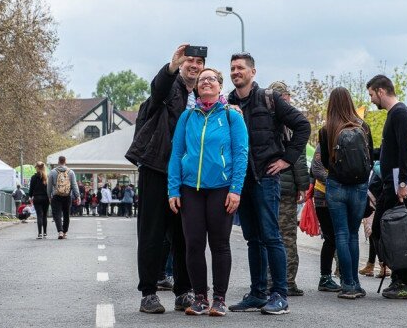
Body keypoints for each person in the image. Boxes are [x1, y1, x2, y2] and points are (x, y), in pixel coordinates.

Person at [226, 53, 311, 315]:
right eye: (232, 68)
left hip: (266, 178)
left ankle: (280, 295)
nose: (235, 72)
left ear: (253, 72)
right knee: (253, 239)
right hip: (243, 181)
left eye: (240, 68)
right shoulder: (227, 102)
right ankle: (257, 293)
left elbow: (302, 126)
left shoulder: (269, 99)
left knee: (272, 237)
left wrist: (286, 160)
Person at [125, 43, 204, 314]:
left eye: (199, 62)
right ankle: (148, 293)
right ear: (181, 64)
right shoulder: (169, 87)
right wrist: (171, 66)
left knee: (184, 235)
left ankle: (184, 291)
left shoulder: (202, 95)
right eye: (189, 61)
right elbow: (157, 89)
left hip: (188, 176)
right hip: (157, 168)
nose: (194, 65)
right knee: (152, 234)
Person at [168, 67, 249, 316]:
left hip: (221, 189)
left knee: (219, 244)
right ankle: (200, 298)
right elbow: (176, 153)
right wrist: (173, 188)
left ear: (219, 85)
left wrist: (235, 190)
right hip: (190, 189)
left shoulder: (231, 116)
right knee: (193, 244)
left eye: (211, 79)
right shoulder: (187, 116)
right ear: (197, 87)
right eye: (202, 80)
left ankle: (220, 299)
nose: (206, 82)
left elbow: (241, 154)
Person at [366, 74, 407, 300]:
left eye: (371, 95)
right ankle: (401, 278)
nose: (370, 100)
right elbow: (392, 149)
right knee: (388, 231)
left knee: (390, 231)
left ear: (381, 91)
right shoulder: (396, 114)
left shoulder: (399, 113)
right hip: (393, 183)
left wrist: (402, 183)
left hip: (398, 186)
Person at [319, 87, 374, 300]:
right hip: (359, 187)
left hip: (336, 186)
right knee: (353, 234)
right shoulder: (363, 127)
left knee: (340, 234)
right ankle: (357, 284)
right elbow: (369, 157)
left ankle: (347, 284)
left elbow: (324, 161)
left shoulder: (327, 129)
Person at [269, 80, 310, 297]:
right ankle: (287, 281)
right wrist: (303, 186)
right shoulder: (291, 122)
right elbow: (299, 160)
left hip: (267, 185)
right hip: (285, 190)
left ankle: (267, 280)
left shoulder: (264, 118)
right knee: (286, 237)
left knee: (268, 235)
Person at [310, 144, 341, 293]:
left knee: (342, 237)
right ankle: (325, 277)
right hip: (324, 198)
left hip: (343, 196)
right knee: (331, 238)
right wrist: (336, 180)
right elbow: (316, 169)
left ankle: (346, 276)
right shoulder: (324, 142)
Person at [47, 155, 80, 239]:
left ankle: (60, 231)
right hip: (67, 196)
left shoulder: (53, 172)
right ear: (65, 161)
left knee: (57, 214)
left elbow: (49, 186)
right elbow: (74, 185)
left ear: (58, 162)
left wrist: (49, 196)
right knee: (66, 215)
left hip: (56, 196)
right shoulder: (70, 172)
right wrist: (78, 196)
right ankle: (65, 232)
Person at [29, 161, 50, 239]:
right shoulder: (47, 177)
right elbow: (49, 188)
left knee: (39, 216)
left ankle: (39, 234)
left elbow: (31, 189)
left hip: (37, 198)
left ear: (37, 168)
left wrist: (30, 197)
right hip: (46, 198)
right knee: (44, 216)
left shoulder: (33, 177)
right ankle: (45, 233)